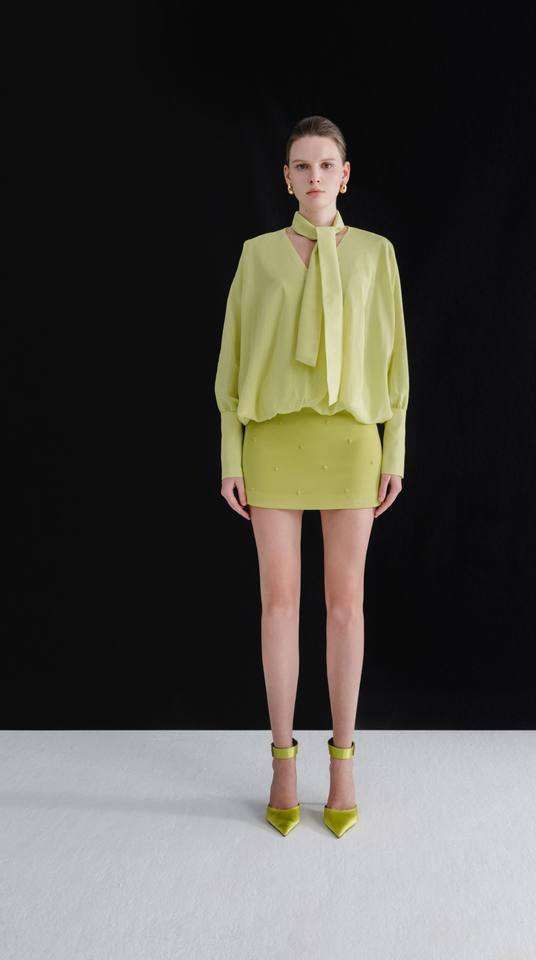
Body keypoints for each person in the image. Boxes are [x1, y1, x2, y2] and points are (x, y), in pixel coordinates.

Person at [214, 115, 410, 837]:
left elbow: (395, 360)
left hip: (352, 441)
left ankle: (344, 762)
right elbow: (232, 364)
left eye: (326, 164)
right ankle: (282, 760)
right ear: (287, 177)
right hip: (272, 442)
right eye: (302, 165)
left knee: (345, 606)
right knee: (278, 604)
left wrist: (393, 450)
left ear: (345, 175)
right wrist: (230, 456)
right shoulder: (257, 255)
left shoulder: (376, 255)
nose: (315, 176)